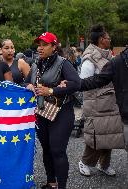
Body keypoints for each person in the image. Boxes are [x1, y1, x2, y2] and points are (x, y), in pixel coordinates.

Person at [25, 32, 80, 189]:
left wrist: (51, 91)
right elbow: (26, 82)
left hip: (61, 113)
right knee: (47, 149)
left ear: (54, 47)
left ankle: (62, 186)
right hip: (42, 112)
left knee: (57, 150)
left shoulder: (63, 63)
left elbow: (77, 83)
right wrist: (27, 85)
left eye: (45, 44)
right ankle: (51, 182)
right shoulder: (36, 64)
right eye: (39, 44)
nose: (40, 48)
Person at [78, 25, 123, 177]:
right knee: (95, 137)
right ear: (101, 40)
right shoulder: (89, 58)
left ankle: (104, 164)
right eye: (108, 38)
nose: (110, 40)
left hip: (109, 102)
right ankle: (84, 162)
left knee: (110, 135)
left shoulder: (108, 56)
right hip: (96, 105)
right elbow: (84, 84)